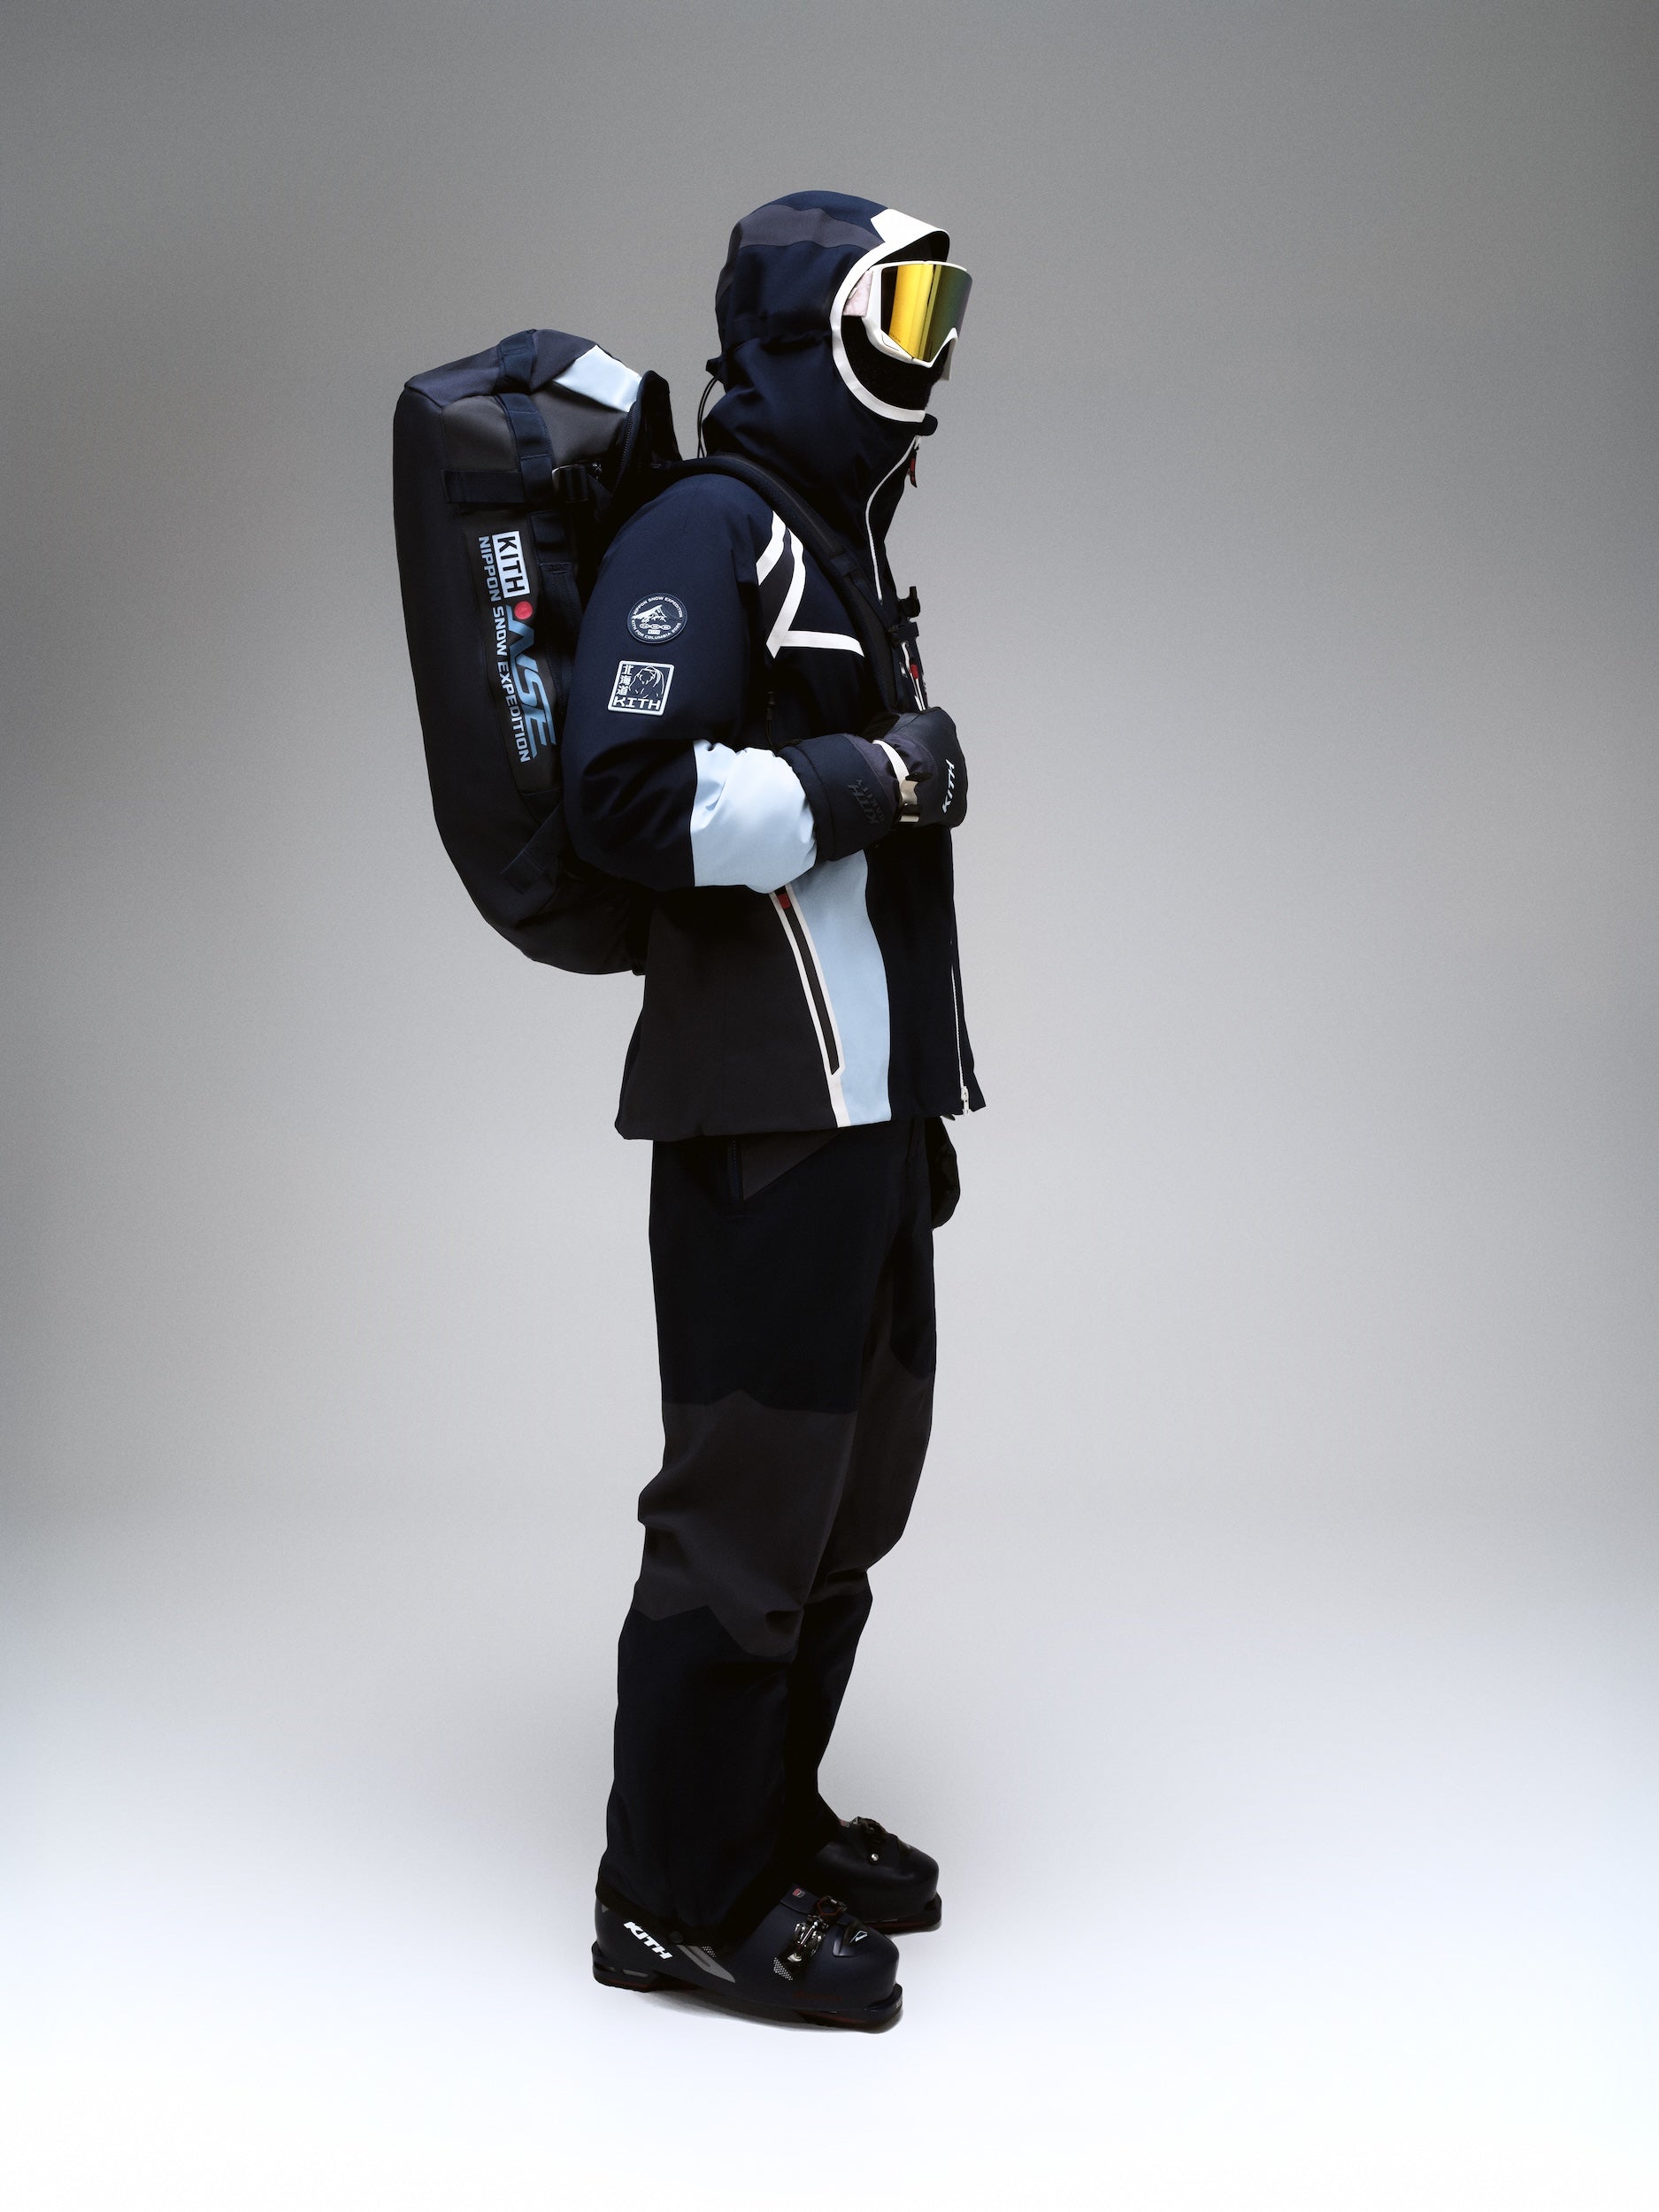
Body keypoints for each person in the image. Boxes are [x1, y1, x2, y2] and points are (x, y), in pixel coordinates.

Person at [561, 190, 980, 2031]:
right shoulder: (707, 530)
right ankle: (669, 1896)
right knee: (745, 1512)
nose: (929, 353)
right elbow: (625, 794)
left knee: (846, 1498)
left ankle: (764, 1823)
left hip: (864, 1120)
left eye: (941, 314)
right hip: (761, 1119)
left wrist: (921, 1107)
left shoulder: (834, 543)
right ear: (806, 334)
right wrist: (874, 774)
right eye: (900, 314)